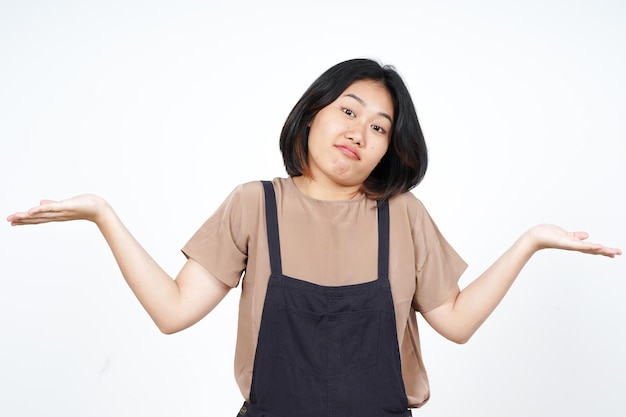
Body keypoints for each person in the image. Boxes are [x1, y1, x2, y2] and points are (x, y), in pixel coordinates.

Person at [7, 58, 621, 417]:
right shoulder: (255, 205)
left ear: (389, 149)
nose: (360, 132)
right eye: (349, 111)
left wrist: (531, 242)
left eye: (380, 127)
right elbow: (173, 312)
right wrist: (103, 215)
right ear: (313, 114)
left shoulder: (403, 215)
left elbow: (454, 323)